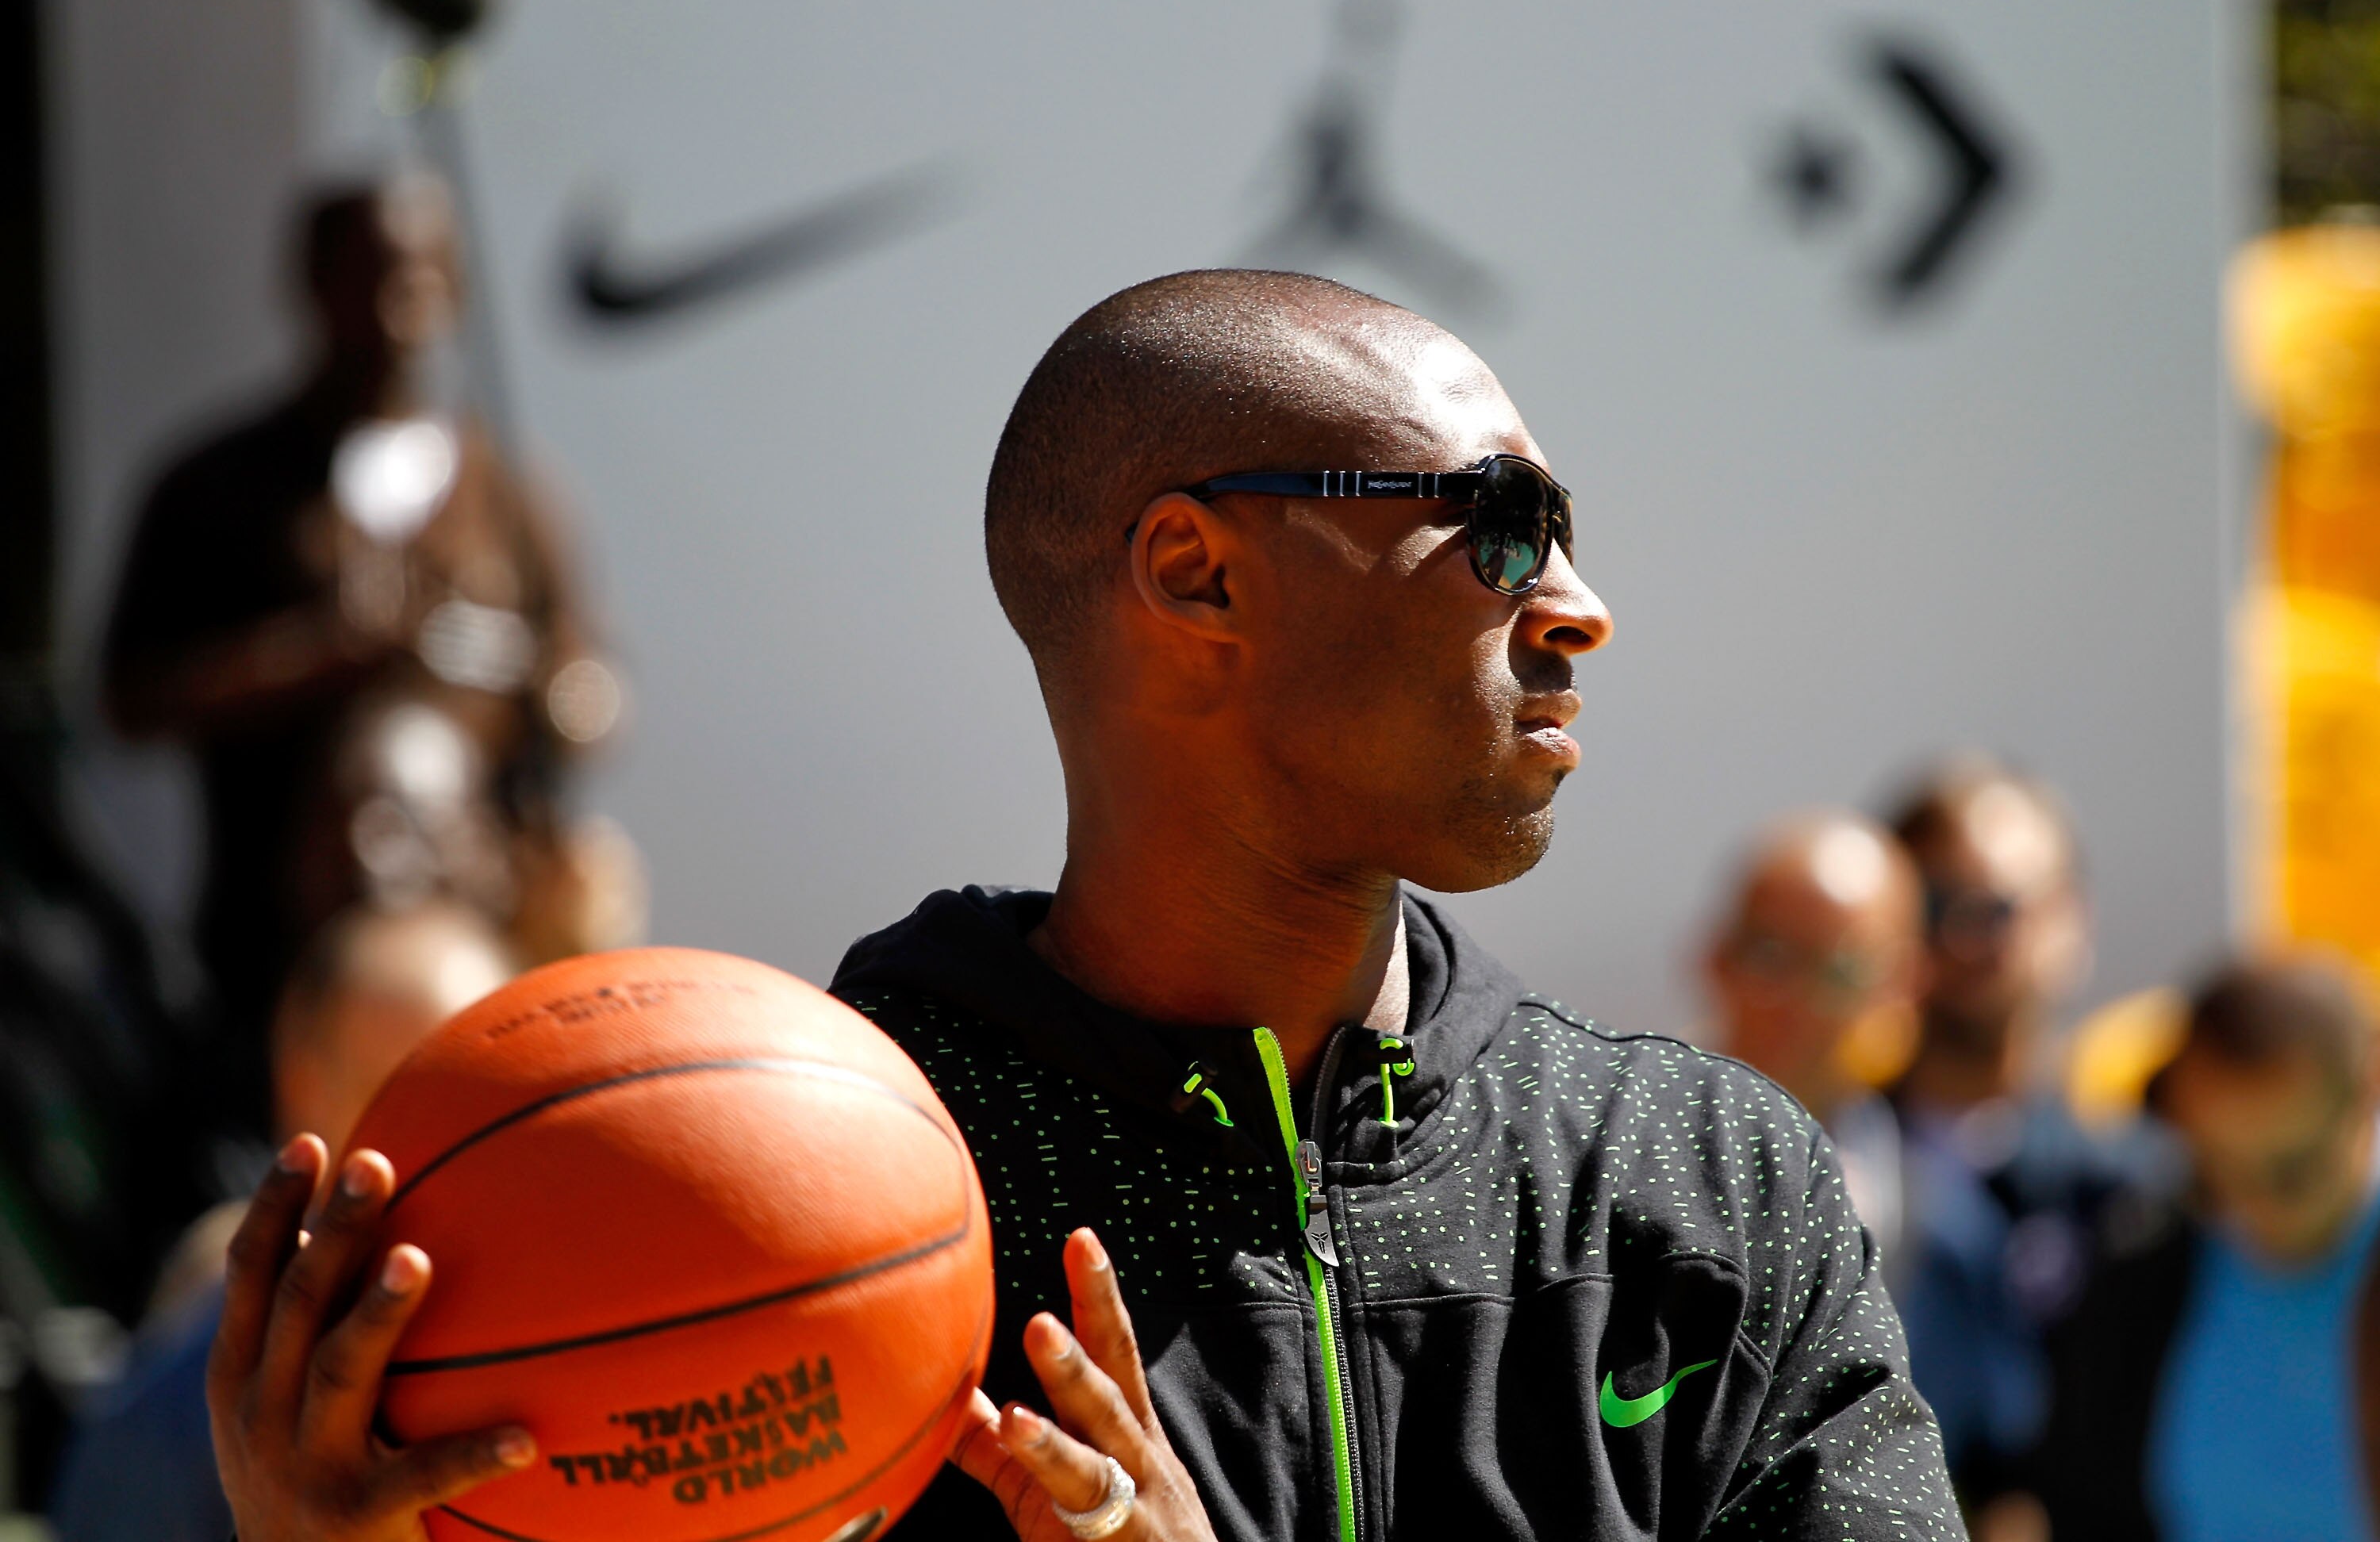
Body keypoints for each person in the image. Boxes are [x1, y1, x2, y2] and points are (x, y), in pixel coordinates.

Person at [205, 270, 1960, 1541]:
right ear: (1197, 572)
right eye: (1500, 526)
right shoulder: (758, 1217)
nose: (1576, 605)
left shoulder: (1707, 1186)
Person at [102, 173, 616, 1141]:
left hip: (476, 956)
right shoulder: (218, 485)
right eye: (369, 274)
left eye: (423, 276)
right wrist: (319, 661)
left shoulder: (510, 494)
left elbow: (591, 690)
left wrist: (544, 686)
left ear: (458, 289)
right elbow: (129, 698)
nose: (399, 302)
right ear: (308, 286)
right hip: (270, 970)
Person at [47, 902, 513, 1542]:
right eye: (405, 1092)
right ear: (301, 1083)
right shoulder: (186, 1407)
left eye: (489, 1098)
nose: (453, 1138)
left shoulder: (592, 1321)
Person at [1882, 757, 2160, 1514]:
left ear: (2071, 920)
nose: (1968, 938)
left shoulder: (2153, 1188)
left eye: (1999, 907)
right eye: (1938, 905)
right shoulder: (1822, 1170)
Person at [2029, 951, 2380, 1540]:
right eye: (2213, 1175)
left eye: (2290, 1172)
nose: (2250, 1209)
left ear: (2369, 1092)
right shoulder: (2142, 1266)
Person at [1704, 811, 1925, 1257]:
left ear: (1904, 984)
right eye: (1771, 956)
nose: (1800, 1000)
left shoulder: (1939, 1211)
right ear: (1717, 959)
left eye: (1843, 972)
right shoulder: (1632, 1156)